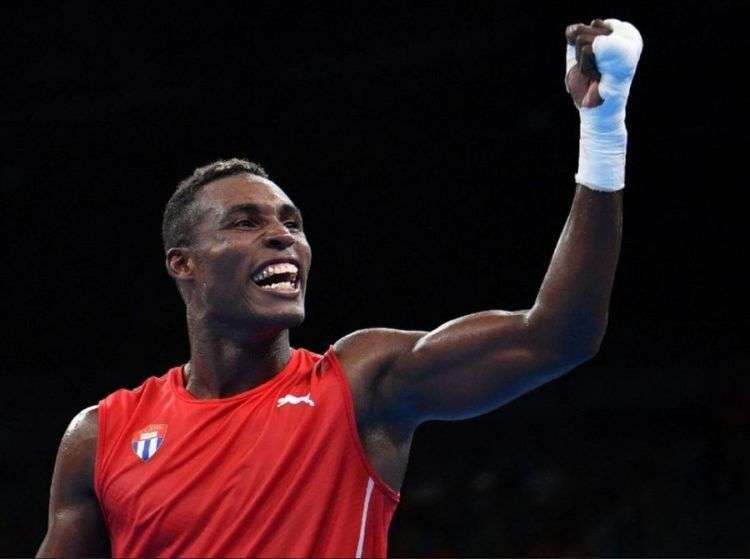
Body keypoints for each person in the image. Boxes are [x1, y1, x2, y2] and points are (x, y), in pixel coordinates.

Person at [37, 18, 642, 558]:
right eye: (247, 222)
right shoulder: (101, 435)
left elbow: (555, 338)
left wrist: (603, 129)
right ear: (183, 263)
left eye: (292, 224)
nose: (284, 238)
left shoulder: (358, 385)